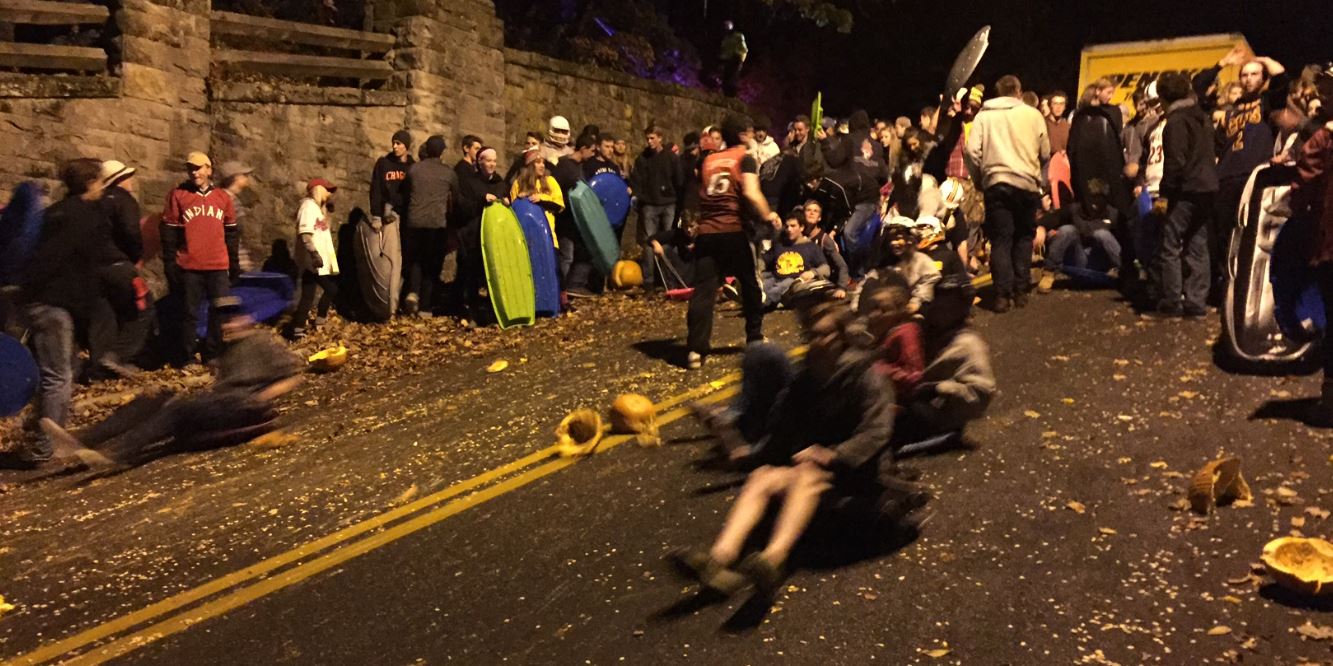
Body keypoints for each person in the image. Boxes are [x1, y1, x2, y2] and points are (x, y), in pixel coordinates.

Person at [671, 297, 922, 596]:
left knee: (806, 474)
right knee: (764, 475)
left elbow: (877, 431)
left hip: (859, 472)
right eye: (811, 334)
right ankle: (718, 558)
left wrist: (833, 453)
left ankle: (773, 559)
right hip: (813, 467)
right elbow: (782, 432)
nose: (815, 341)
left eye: (823, 334)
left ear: (841, 337)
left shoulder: (867, 377)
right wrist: (745, 452)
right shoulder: (806, 380)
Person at [39, 296, 302, 468]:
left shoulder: (262, 342)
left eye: (233, 319)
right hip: (223, 403)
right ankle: (84, 439)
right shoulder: (227, 350)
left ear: (247, 319)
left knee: (178, 411)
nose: (228, 326)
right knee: (156, 399)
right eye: (224, 321)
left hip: (248, 407)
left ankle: (117, 454)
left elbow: (294, 375)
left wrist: (263, 396)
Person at [10, 159, 126, 467]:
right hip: (53, 305)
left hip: (43, 303)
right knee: (58, 375)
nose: (103, 186)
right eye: (101, 181)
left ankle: (39, 432)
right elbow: (59, 260)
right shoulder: (84, 218)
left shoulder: (55, 213)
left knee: (59, 371)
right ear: (90, 183)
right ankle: (49, 446)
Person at [686, 113, 780, 370]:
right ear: (742, 135)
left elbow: (702, 192)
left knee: (703, 292)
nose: (752, 136)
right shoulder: (744, 159)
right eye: (749, 132)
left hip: (707, 232)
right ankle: (754, 337)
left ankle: (695, 350)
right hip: (733, 230)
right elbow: (750, 192)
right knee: (750, 284)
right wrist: (768, 214)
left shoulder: (708, 161)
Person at [1194, 47, 1289, 301]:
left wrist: (1264, 59)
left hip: (1254, 176)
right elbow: (1198, 90)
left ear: (1262, 77)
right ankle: (1224, 290)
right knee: (1224, 237)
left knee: (1249, 236)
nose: (1248, 79)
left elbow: (1282, 80)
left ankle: (1246, 294)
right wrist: (1222, 63)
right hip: (1226, 177)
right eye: (1244, 75)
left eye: (1254, 74)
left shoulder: (1267, 102)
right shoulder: (1232, 108)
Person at [966, 75, 1051, 312]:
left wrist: (980, 178)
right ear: (1018, 91)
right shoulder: (1033, 115)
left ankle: (1001, 294)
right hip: (1026, 184)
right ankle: (1020, 290)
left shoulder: (984, 116)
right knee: (1024, 237)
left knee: (1001, 239)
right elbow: (1045, 151)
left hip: (996, 183)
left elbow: (972, 151)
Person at [1153, 71, 1219, 318]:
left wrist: (1164, 196)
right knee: (1197, 244)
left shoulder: (1177, 121)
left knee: (1170, 243)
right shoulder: (1201, 117)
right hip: (1207, 187)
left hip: (1186, 190)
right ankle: (1196, 303)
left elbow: (1175, 163)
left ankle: (1171, 302)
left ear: (1163, 96)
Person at [161, 151, 236, 364]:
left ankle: (212, 352)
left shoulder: (222, 198)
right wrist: (169, 262)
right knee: (188, 313)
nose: (194, 173)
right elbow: (169, 232)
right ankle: (186, 355)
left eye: (199, 168)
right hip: (190, 265)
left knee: (219, 311)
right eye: (191, 168)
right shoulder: (178, 195)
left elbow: (231, 233)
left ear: (209, 169)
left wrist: (233, 263)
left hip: (218, 264)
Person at [403, 135, 460, 318]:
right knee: (433, 265)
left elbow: (405, 194)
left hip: (414, 222)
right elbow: (456, 200)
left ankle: (413, 291)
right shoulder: (449, 173)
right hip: (437, 224)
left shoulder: (414, 170)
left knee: (416, 260)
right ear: (442, 151)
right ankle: (426, 307)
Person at [455, 146, 510, 321]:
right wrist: (481, 200)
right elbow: (462, 208)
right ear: (480, 162)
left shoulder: (500, 183)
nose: (492, 164)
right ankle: (470, 312)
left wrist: (508, 202)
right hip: (473, 237)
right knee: (470, 275)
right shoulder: (468, 182)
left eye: (494, 160)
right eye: (488, 160)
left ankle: (493, 312)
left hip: (495, 238)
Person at [1038, 178, 1122, 285]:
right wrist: (1041, 227)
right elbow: (1052, 219)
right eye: (1091, 196)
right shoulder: (1074, 209)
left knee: (1102, 234)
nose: (1094, 202)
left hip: (1101, 261)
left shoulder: (1113, 214)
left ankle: (1125, 274)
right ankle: (1049, 272)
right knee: (1068, 230)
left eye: (1098, 197)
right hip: (1079, 258)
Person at [631, 126, 683, 290]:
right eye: (647, 138)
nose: (649, 142)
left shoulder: (670, 158)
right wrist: (640, 197)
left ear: (660, 138)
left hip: (668, 203)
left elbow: (678, 179)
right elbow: (636, 180)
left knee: (667, 242)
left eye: (652, 138)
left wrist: (675, 197)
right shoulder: (642, 159)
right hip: (649, 204)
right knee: (649, 242)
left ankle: (669, 280)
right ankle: (649, 281)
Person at [287, 178, 340, 338]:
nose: (330, 193)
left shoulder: (316, 208)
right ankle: (320, 321)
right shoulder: (308, 207)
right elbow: (305, 234)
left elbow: (321, 230)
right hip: (314, 262)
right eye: (327, 189)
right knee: (332, 289)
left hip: (317, 261)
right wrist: (314, 254)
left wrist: (326, 211)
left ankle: (298, 329)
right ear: (318, 189)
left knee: (308, 295)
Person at [860, 272, 925, 398]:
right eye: (874, 308)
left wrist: (880, 370)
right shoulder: (882, 331)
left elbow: (915, 375)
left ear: (899, 312)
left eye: (884, 310)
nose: (876, 314)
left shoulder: (906, 333)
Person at [862, 221, 940, 315]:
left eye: (898, 239)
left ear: (910, 239)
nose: (893, 243)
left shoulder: (923, 262)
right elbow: (869, 281)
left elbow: (927, 285)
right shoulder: (890, 263)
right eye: (891, 239)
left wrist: (915, 302)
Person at [553, 134, 597, 296]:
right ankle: (559, 290)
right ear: (583, 149)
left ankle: (571, 285)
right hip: (564, 220)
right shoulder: (565, 166)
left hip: (575, 220)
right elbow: (555, 190)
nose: (593, 154)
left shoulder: (579, 167)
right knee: (566, 257)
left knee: (580, 254)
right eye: (591, 151)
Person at [760, 213, 829, 309]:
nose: (789, 229)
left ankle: (760, 304)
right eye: (787, 226)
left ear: (801, 227)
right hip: (775, 278)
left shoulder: (811, 247)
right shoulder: (780, 245)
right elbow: (764, 260)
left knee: (783, 286)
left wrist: (813, 273)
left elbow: (826, 268)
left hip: (794, 283)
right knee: (765, 284)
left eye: (793, 226)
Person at [510, 150, 565, 247]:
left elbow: (558, 206)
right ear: (530, 165)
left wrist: (541, 201)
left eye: (543, 162)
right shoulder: (518, 184)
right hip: (525, 238)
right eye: (538, 162)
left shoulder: (550, 181)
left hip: (547, 237)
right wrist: (523, 198)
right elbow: (513, 210)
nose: (542, 165)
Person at [800, 200, 850, 291]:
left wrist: (841, 288)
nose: (811, 213)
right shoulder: (797, 236)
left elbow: (842, 266)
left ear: (819, 218)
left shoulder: (825, 240)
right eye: (808, 210)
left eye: (815, 211)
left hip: (819, 282)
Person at [650, 213, 699, 290]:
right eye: (686, 227)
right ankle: (672, 287)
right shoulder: (678, 233)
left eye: (691, 226)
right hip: (682, 268)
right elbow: (652, 238)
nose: (688, 230)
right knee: (665, 249)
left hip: (697, 270)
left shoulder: (704, 235)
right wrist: (655, 243)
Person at [717, 20, 748, 97]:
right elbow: (723, 51)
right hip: (726, 61)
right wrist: (720, 60)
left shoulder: (738, 36)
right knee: (725, 80)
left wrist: (740, 60)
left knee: (732, 80)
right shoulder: (725, 39)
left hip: (735, 60)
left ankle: (731, 97)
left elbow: (744, 50)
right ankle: (726, 97)